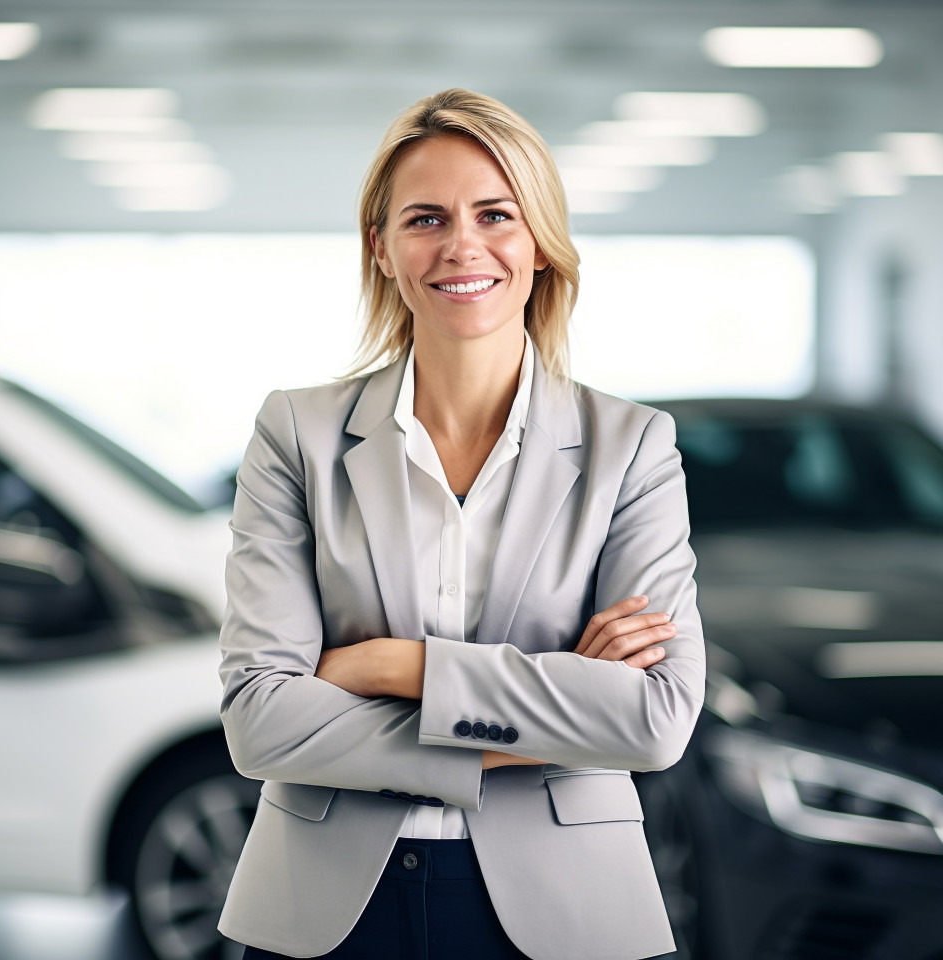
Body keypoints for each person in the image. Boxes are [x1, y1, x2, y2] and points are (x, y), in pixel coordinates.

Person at [218, 88, 705, 960]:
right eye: (426, 218)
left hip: (571, 908)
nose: (462, 247)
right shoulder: (295, 431)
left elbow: (654, 719)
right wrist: (559, 703)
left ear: (541, 242)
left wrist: (387, 666)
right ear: (382, 246)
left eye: (495, 214)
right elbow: (260, 720)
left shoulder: (631, 446)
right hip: (319, 911)